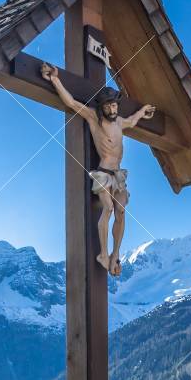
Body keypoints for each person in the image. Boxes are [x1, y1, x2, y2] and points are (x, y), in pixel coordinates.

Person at [41, 63, 155, 276]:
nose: (113, 110)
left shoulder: (120, 121)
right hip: (103, 172)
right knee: (108, 209)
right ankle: (104, 253)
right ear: (102, 107)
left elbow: (132, 121)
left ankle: (115, 254)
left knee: (121, 210)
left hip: (119, 174)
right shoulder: (94, 118)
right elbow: (71, 103)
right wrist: (55, 79)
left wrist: (142, 111)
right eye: (109, 106)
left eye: (114, 106)